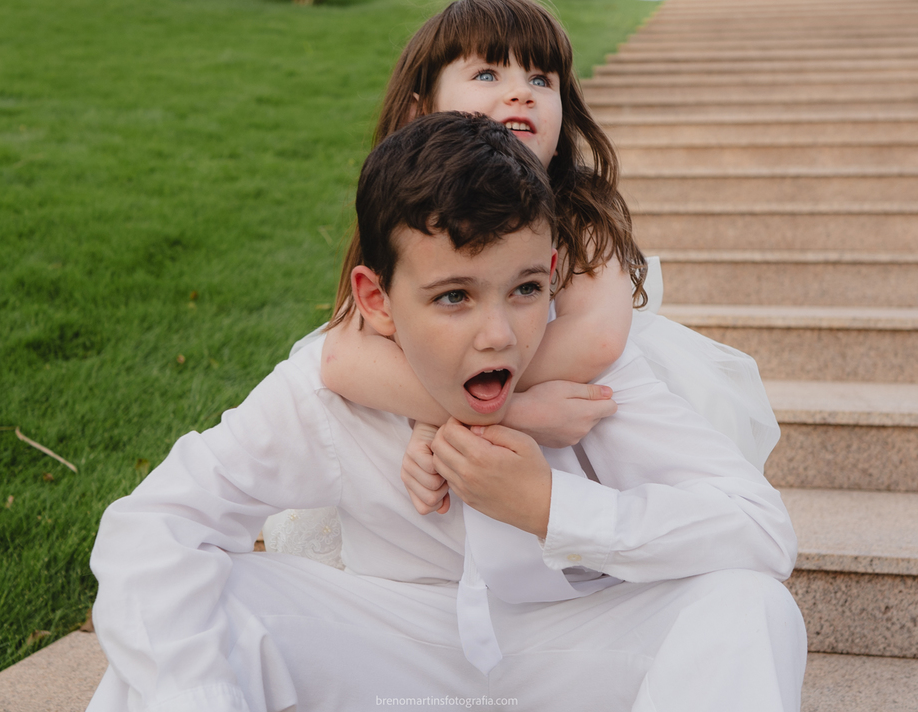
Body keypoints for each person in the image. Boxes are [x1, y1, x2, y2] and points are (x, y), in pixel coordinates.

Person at [88, 113, 805, 712]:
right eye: (454, 297)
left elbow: (761, 531)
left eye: (524, 290)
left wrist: (553, 505)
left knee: (748, 606)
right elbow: (155, 524)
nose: (498, 334)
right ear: (376, 301)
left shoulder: (599, 384)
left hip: (574, 656)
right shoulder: (327, 388)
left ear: (553, 273)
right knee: (201, 601)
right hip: (389, 651)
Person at [317, 0, 779, 523]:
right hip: (500, 397)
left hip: (581, 425)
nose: (520, 93)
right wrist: (502, 412)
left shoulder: (580, 208)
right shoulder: (406, 213)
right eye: (487, 74)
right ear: (420, 111)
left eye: (541, 80)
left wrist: (469, 407)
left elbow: (598, 337)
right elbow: (340, 358)